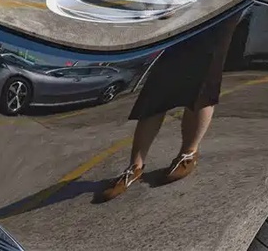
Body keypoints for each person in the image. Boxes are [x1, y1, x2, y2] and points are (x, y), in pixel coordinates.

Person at [98, 14, 238, 202]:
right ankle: (135, 167)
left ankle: (188, 153)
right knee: (157, 90)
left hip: (222, 13)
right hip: (187, 12)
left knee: (204, 84)